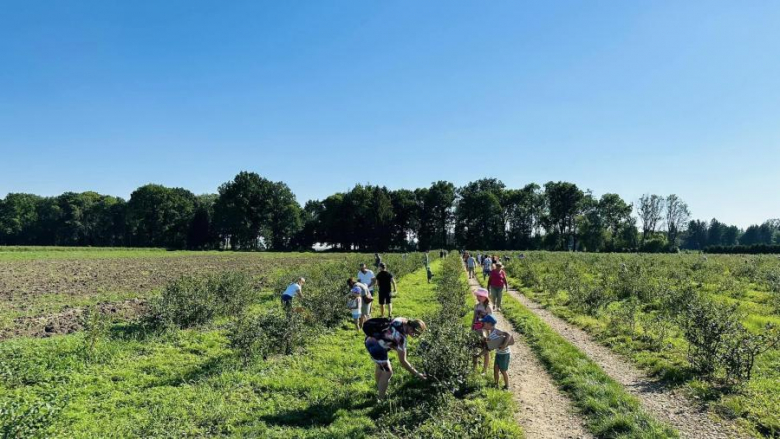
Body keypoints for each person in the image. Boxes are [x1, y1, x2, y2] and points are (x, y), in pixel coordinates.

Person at [363, 317, 428, 400]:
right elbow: (403, 361)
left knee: (381, 366)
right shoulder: (401, 338)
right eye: (415, 334)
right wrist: (418, 374)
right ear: (411, 329)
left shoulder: (401, 320)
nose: (414, 336)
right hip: (376, 347)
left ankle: (380, 388)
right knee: (388, 372)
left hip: (370, 338)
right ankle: (381, 399)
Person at [480, 314, 512, 389]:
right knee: (495, 369)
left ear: (490, 324)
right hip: (498, 353)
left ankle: (507, 386)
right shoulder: (491, 334)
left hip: (504, 354)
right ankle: (496, 385)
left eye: (485, 323)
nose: (483, 324)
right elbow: (489, 346)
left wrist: (504, 345)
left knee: (503, 371)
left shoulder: (497, 331)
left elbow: (508, 335)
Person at [472, 288, 493, 373]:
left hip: (485, 331)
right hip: (476, 329)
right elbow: (474, 319)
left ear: (485, 297)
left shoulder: (488, 308)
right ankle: (474, 368)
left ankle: (484, 370)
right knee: (474, 349)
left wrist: (491, 334)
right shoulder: (476, 306)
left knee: (486, 350)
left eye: (480, 296)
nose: (478, 297)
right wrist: (472, 328)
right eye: (477, 296)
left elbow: (491, 322)